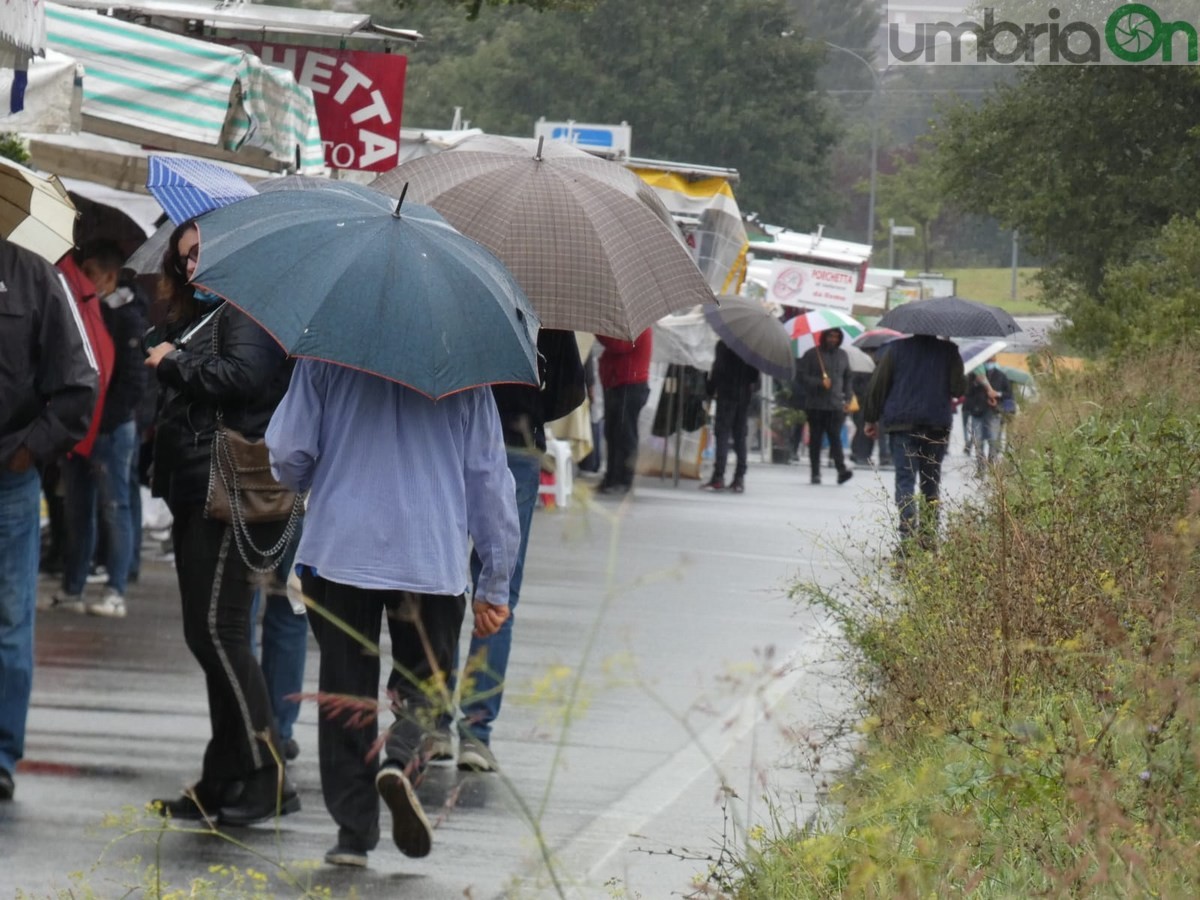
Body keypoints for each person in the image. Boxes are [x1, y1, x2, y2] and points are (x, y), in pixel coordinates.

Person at [267, 359, 520, 868]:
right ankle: (402, 760)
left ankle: (353, 835)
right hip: (431, 553)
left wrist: (321, 471)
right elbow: (488, 478)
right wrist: (495, 578)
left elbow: (288, 451)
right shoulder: (465, 365)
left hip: (341, 547)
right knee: (427, 680)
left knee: (345, 687)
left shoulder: (328, 353)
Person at [145, 220, 299, 825]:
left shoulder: (251, 310)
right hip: (197, 485)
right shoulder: (206, 315)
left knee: (220, 630)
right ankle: (225, 773)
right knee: (207, 633)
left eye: (200, 253)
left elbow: (246, 378)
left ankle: (267, 773)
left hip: (229, 486)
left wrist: (173, 364)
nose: (191, 267)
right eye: (183, 258)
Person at [433, 329, 585, 771]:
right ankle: (476, 732)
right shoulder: (547, 307)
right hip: (516, 445)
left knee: (436, 581)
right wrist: (529, 410)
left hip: (447, 441)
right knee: (499, 595)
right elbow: (568, 390)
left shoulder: (458, 288)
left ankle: (431, 723)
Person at [0, 238, 99, 800]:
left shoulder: (34, 276)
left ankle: (1, 755)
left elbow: (79, 383)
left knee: (10, 624)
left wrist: (28, 450)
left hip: (9, 481)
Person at [51, 241, 148, 618]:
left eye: (91, 274)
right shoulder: (86, 311)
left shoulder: (126, 316)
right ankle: (74, 588)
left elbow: (133, 381)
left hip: (111, 428)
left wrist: (104, 421)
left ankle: (115, 590)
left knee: (113, 507)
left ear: (109, 276)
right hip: (83, 427)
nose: (85, 281)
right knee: (78, 510)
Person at [863, 334, 967, 553]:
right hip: (935, 426)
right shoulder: (948, 350)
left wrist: (870, 418)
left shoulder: (895, 349)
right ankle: (929, 539)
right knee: (931, 483)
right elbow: (959, 389)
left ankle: (908, 540)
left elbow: (878, 385)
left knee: (905, 481)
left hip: (902, 425)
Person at [596, 329, 652, 496]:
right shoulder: (629, 327)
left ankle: (623, 480)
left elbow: (619, 346)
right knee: (613, 434)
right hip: (618, 383)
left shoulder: (638, 327)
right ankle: (612, 477)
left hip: (629, 384)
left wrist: (599, 331)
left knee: (624, 435)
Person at [701, 340, 760, 493]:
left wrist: (709, 388)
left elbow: (718, 370)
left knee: (722, 434)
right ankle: (739, 478)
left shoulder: (724, 344)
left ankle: (718, 476)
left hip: (726, 395)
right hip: (743, 397)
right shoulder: (751, 347)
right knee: (740, 436)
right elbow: (754, 377)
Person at [797, 329, 855, 485]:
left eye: (836, 337)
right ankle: (815, 473)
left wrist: (848, 397)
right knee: (815, 440)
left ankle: (841, 470)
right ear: (824, 337)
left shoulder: (843, 355)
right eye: (830, 336)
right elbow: (801, 377)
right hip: (815, 405)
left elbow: (848, 377)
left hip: (835, 405)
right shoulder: (811, 354)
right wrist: (819, 383)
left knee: (835, 439)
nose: (833, 339)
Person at [963, 359, 1011, 476]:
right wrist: (975, 383)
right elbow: (967, 393)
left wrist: (997, 395)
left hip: (994, 413)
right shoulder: (973, 375)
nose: (990, 361)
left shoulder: (1001, 376)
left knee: (993, 441)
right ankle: (980, 468)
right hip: (977, 413)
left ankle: (991, 467)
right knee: (978, 441)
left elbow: (1008, 394)